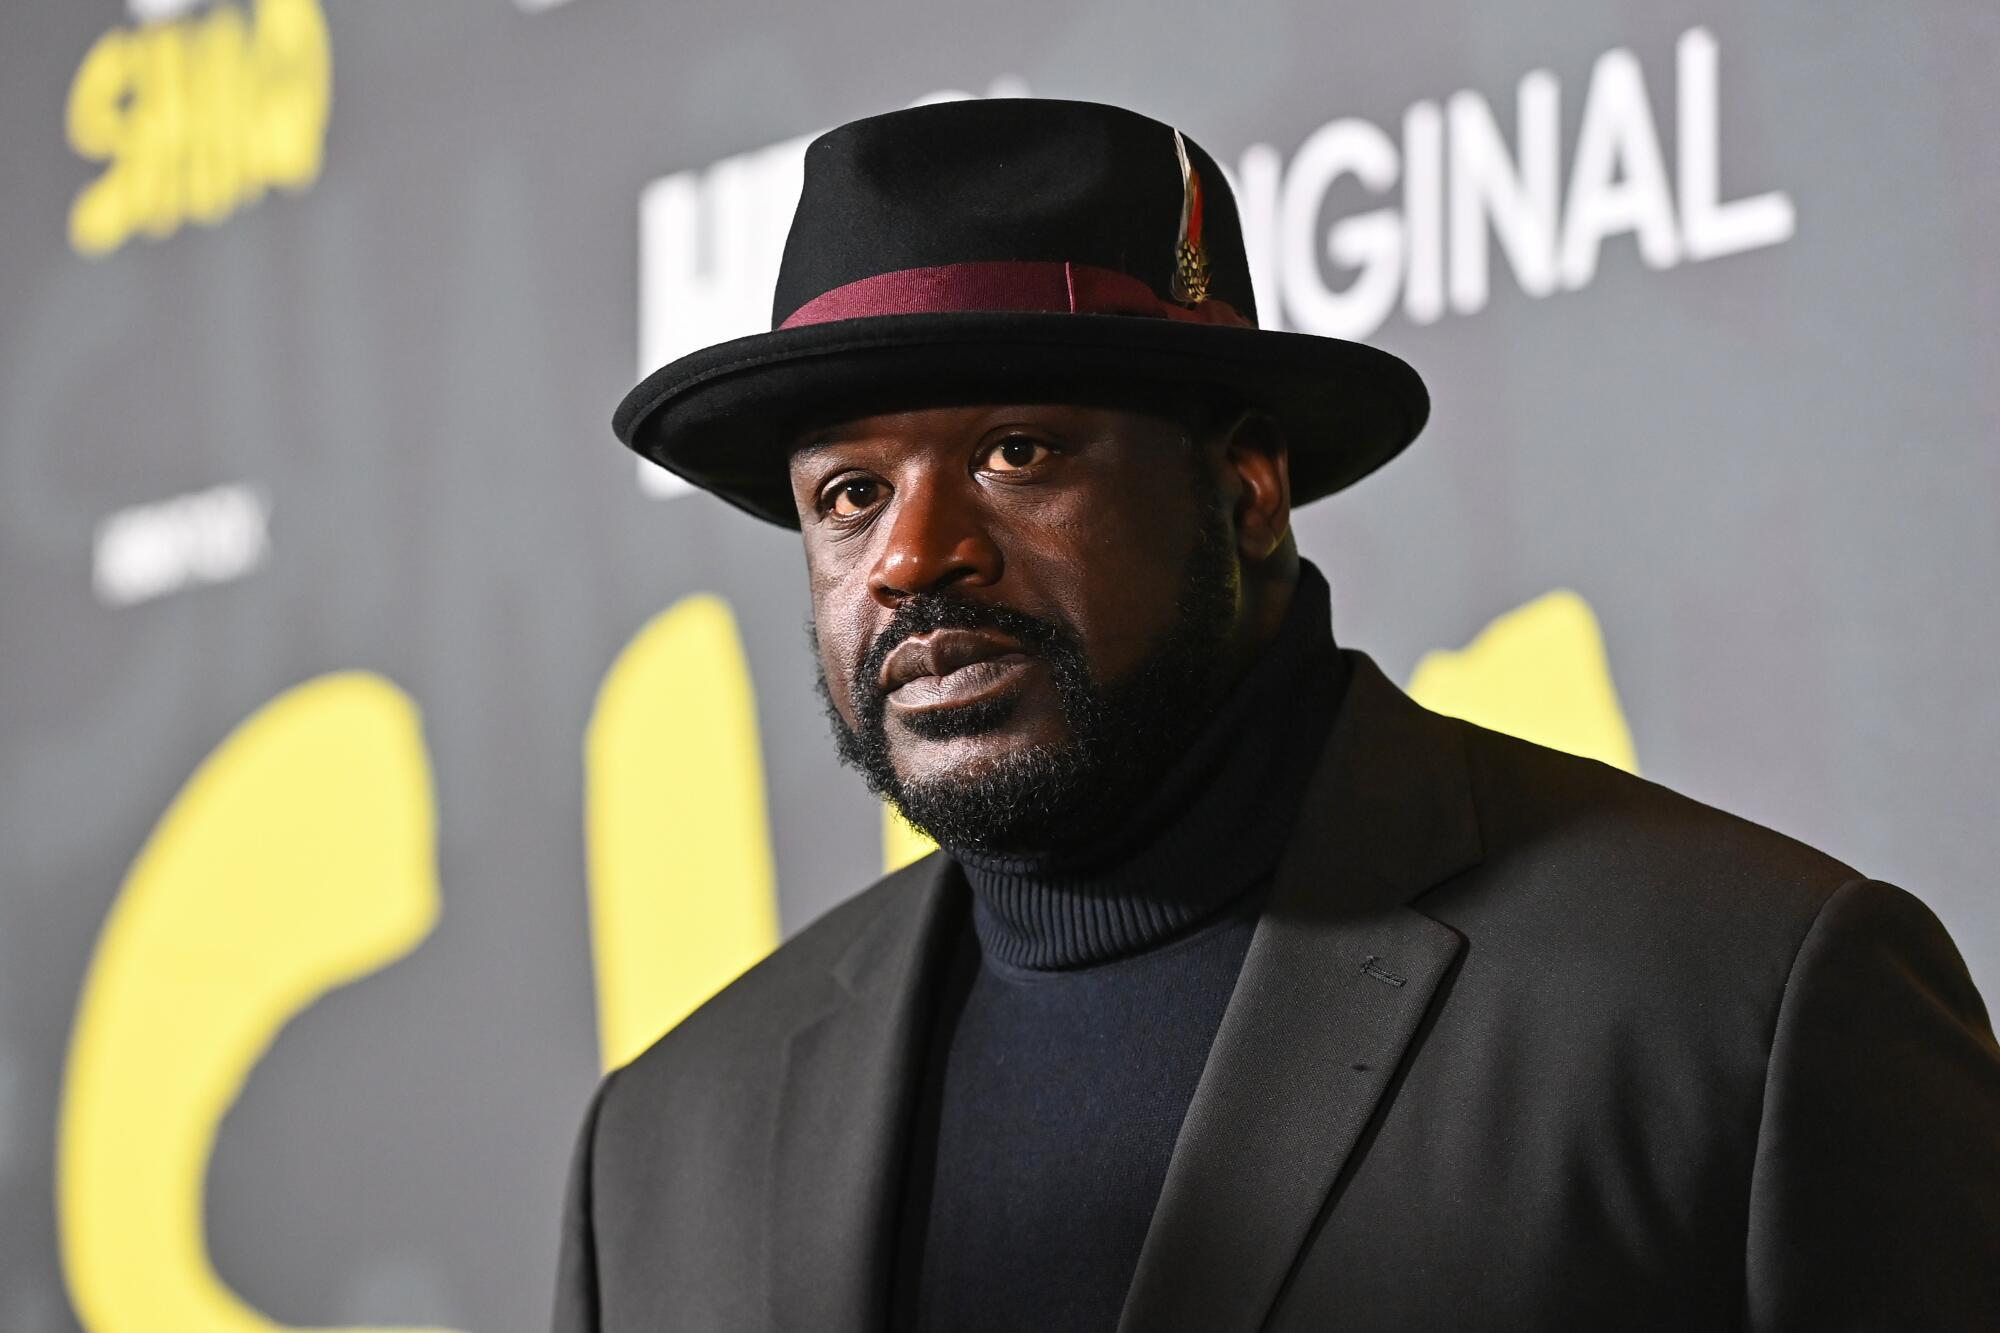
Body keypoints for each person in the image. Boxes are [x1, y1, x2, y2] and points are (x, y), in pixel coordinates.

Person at [553, 98, 2000, 1332]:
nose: (915, 557)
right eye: (851, 495)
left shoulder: (1745, 1004)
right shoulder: (661, 1149)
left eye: (1016, 452)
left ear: (1247, 489)